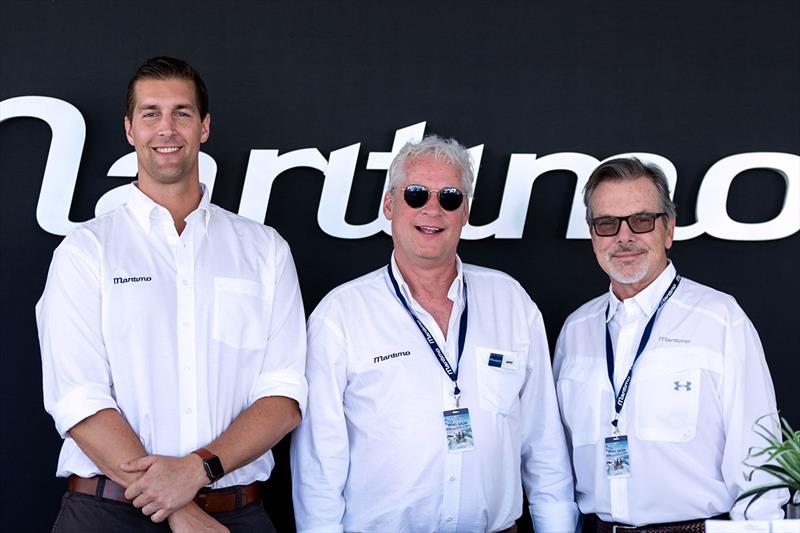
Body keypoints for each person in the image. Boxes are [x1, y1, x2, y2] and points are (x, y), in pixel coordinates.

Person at [36, 57, 307, 533]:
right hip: (106, 515)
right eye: (150, 113)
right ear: (129, 129)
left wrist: (198, 469)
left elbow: (282, 398)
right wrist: (179, 508)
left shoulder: (264, 250)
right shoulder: (87, 251)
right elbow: (79, 398)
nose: (167, 128)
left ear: (204, 127)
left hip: (235, 515)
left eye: (182, 113)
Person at [290, 135, 578, 533]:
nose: (432, 209)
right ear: (390, 205)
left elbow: (544, 443)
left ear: (466, 213)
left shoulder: (510, 301)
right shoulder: (341, 314)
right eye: (416, 194)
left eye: (449, 198)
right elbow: (318, 465)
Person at [553, 157, 788, 531]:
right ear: (593, 235)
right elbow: (556, 461)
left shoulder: (720, 319)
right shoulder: (576, 330)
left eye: (642, 221)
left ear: (669, 230)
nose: (624, 237)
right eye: (607, 224)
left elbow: (758, 459)